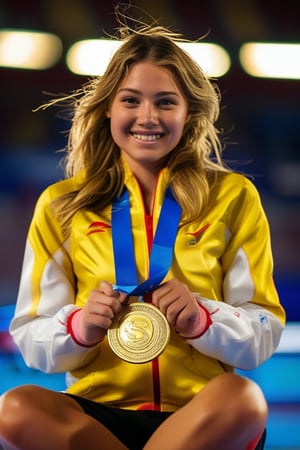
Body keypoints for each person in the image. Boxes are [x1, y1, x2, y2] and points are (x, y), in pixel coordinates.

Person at [0, 12, 285, 450]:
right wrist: (79, 327)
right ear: (108, 108)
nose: (147, 116)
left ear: (190, 112)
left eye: (166, 102)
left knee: (243, 398)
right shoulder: (62, 204)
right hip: (95, 417)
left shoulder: (233, 196)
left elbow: (262, 332)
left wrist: (201, 318)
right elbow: (31, 339)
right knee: (14, 408)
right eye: (131, 100)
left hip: (201, 416)